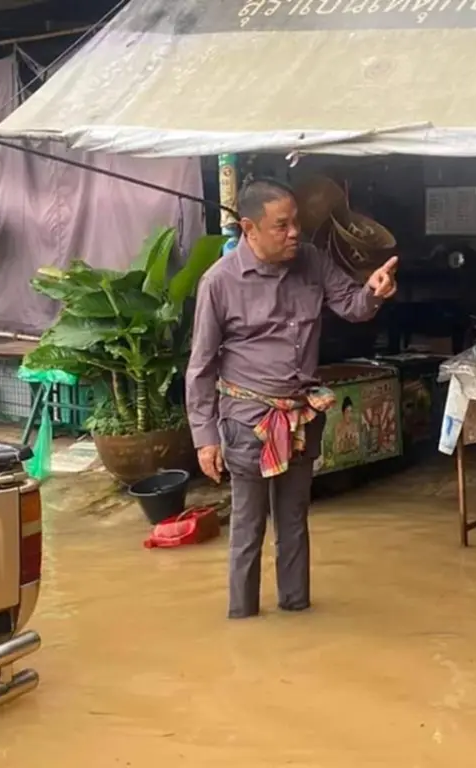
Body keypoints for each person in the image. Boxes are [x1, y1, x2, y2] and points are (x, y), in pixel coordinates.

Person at [186, 178, 397, 619]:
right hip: (247, 422)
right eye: (281, 225)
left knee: (295, 521)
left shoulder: (313, 262)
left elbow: (352, 306)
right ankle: (242, 618)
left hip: (301, 417)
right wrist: (206, 438)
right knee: (246, 527)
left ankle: (296, 612)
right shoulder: (219, 283)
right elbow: (201, 365)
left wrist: (374, 291)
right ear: (250, 228)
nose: (294, 233)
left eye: (296, 222)